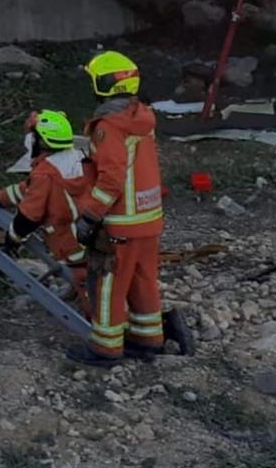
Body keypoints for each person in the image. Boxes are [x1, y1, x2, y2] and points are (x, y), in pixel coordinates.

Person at [71, 50, 166, 366]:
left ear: (104, 84)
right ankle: (148, 339)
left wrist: (90, 214)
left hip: (120, 223)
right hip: (148, 218)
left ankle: (106, 349)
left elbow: (111, 177)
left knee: (108, 283)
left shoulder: (109, 126)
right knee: (143, 280)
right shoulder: (142, 117)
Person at [0, 109, 91, 315]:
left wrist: (12, 239)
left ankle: (100, 331)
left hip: (72, 237)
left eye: (33, 135)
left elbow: (29, 216)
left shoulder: (46, 173)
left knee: (88, 280)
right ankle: (78, 293)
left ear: (42, 141)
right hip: (91, 226)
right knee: (91, 271)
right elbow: (29, 189)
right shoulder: (76, 156)